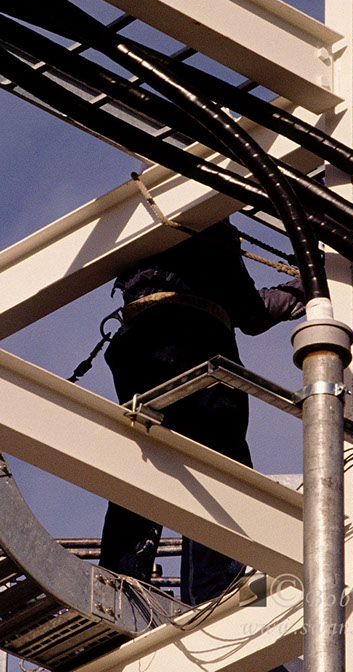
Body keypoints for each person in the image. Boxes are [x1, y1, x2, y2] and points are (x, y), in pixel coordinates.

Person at [98, 218, 305, 606]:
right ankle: (213, 594)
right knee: (219, 465)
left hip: (138, 346)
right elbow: (251, 314)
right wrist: (309, 284)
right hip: (197, 340)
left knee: (144, 457)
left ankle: (120, 580)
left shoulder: (139, 223)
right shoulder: (207, 219)